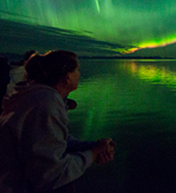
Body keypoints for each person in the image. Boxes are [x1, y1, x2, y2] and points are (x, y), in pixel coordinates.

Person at [0, 50, 116, 192]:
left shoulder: (37, 96)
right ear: (67, 77)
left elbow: (58, 140)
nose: (79, 75)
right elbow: (53, 175)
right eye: (77, 70)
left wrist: (94, 147)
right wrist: (91, 155)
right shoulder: (46, 103)